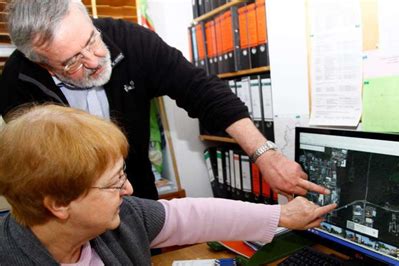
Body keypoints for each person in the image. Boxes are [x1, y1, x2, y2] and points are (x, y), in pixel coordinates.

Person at [0, 0, 329, 200]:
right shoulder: (18, 82)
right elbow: (41, 173)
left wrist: (264, 154)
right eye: (72, 61)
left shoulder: (128, 39)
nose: (95, 59)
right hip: (74, 213)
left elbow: (200, 89)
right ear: (41, 62)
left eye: (91, 40)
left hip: (140, 198)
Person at [0, 104, 337, 264]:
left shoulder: (122, 218)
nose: (129, 190)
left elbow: (192, 216)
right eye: (114, 182)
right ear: (58, 203)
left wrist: (281, 216)